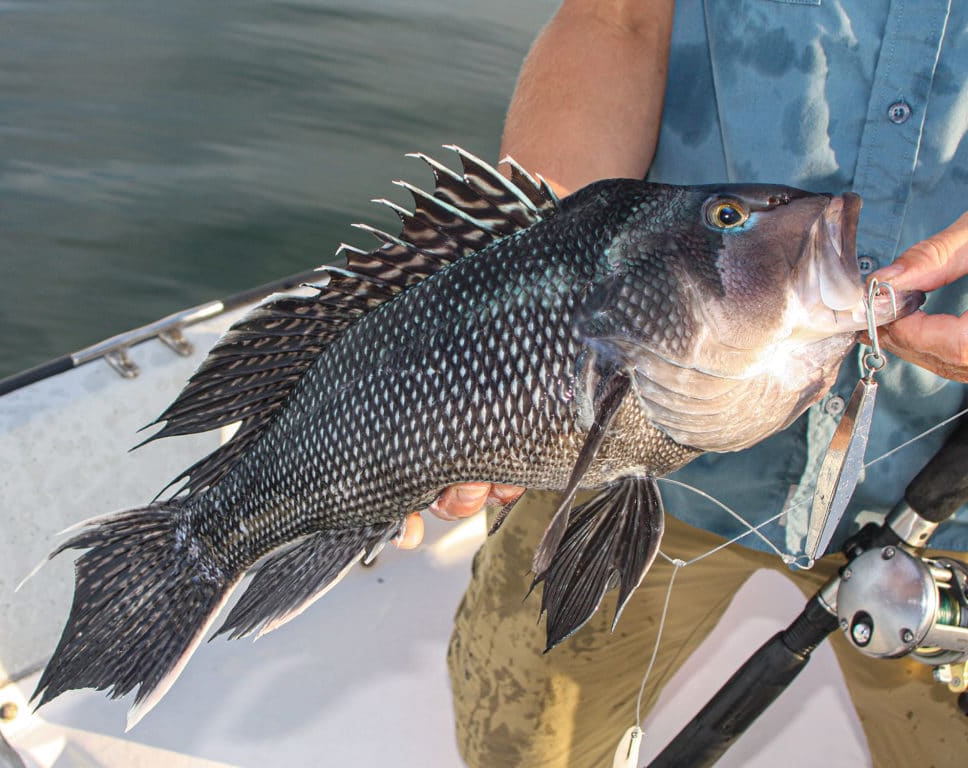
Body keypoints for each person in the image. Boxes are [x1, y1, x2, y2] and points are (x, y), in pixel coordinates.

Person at [400, 2, 968, 766]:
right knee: (523, 740)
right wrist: (523, 323)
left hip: (948, 497)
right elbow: (618, 21)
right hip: (618, 449)